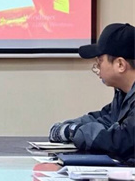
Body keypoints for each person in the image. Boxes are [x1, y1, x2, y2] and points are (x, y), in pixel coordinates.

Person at [49, 23, 135, 163]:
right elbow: (105, 118)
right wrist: (67, 127)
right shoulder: (123, 94)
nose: (97, 67)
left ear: (120, 64)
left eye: (99, 61)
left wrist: (72, 131)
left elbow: (119, 141)